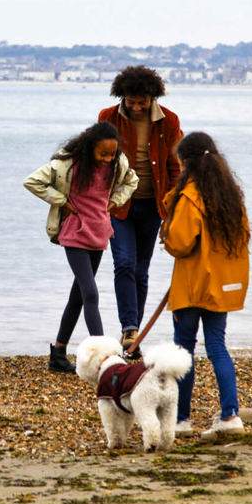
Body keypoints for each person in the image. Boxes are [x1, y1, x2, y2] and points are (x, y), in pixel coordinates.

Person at [24, 121, 138, 373]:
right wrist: (61, 200)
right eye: (103, 154)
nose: (108, 158)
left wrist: (115, 201)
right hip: (74, 232)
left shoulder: (117, 164)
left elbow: (132, 181)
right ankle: (106, 358)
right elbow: (32, 181)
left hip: (99, 232)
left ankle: (59, 353)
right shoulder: (68, 165)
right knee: (90, 293)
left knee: (78, 296)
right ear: (89, 149)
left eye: (112, 153)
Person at [161, 131, 250, 438]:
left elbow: (181, 243)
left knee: (184, 350)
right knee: (217, 347)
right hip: (222, 284)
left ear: (186, 163)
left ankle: (181, 420)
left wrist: (166, 235)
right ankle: (230, 415)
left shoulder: (190, 197)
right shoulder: (230, 196)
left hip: (192, 285)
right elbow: (243, 238)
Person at [98, 65, 182, 354]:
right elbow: (98, 159)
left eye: (141, 102)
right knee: (123, 262)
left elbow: (174, 166)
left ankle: (136, 331)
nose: (135, 107)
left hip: (153, 205)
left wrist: (173, 207)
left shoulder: (169, 120)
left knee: (140, 270)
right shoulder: (107, 118)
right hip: (118, 204)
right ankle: (129, 329)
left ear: (152, 97)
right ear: (121, 95)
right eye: (130, 101)